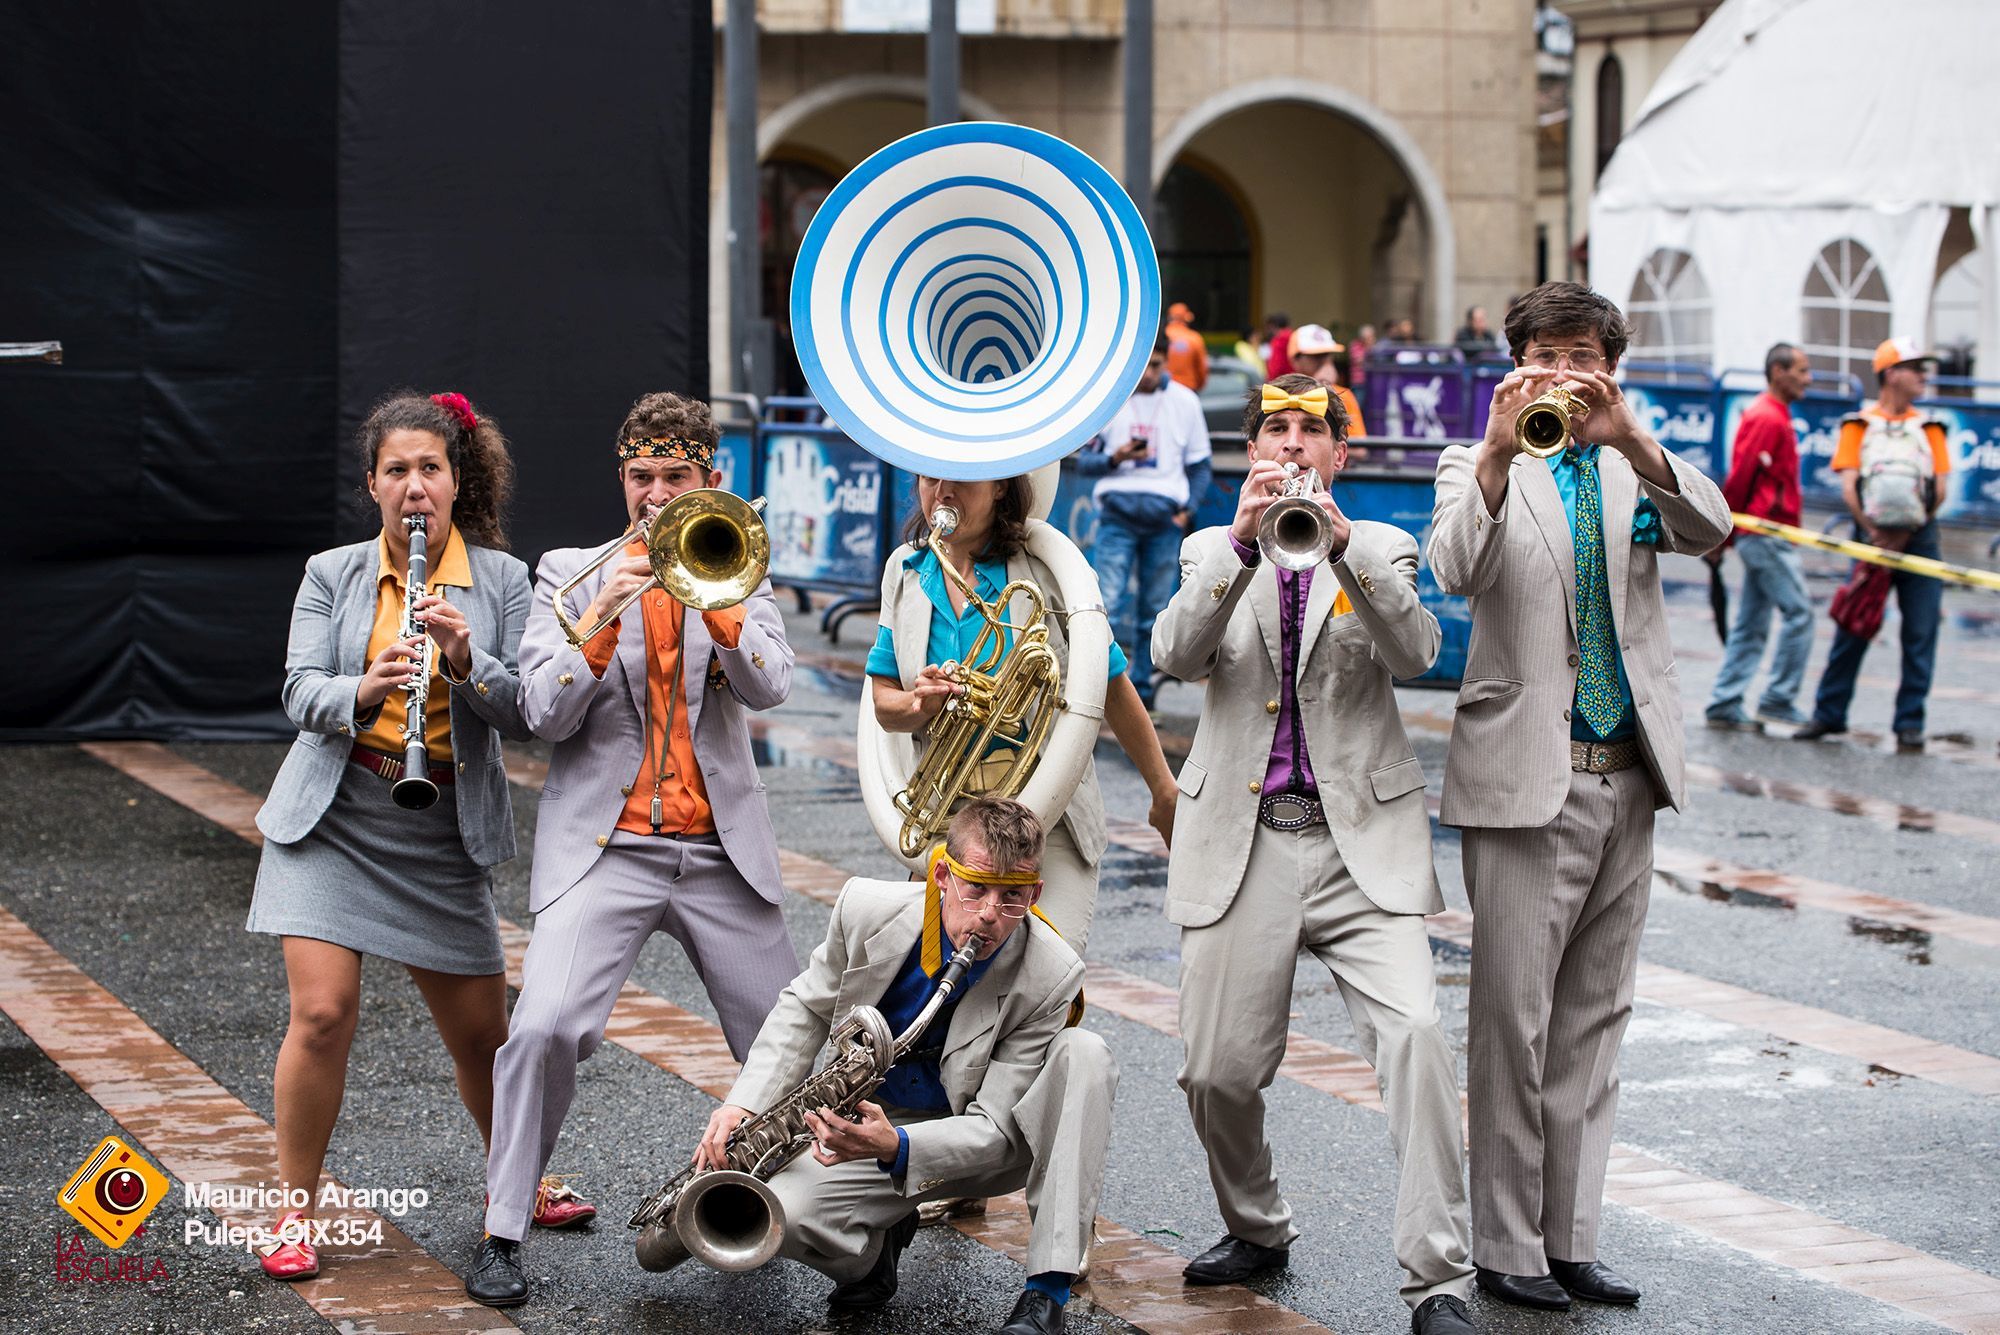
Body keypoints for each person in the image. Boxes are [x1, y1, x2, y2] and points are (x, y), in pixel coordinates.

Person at [1152, 373, 1477, 1335]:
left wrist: (1341, 553)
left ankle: (1438, 1280)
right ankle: (1256, 1225)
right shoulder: (1211, 547)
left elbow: (1418, 655)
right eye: (1274, 431)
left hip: (1357, 843)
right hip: (1243, 842)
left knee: (1416, 1038)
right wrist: (1245, 551)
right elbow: (1176, 655)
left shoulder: (1380, 544)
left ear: (1340, 453)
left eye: (1311, 433)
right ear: (1250, 451)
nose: (1291, 446)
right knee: (1214, 1072)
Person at [1428, 282, 1730, 1312]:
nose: (1563, 372)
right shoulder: (1476, 468)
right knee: (1510, 1026)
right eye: (1545, 355)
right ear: (1512, 365)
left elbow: (1711, 528)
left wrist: (1634, 441)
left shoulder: (1622, 464)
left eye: (1583, 356)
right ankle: (1505, 1247)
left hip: (1627, 773)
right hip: (1524, 780)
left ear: (1608, 366)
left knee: (1593, 1022)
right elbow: (1453, 566)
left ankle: (1570, 1238)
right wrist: (1496, 455)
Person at [467, 392, 799, 1306]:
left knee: (790, 1047)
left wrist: (720, 600)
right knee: (540, 1026)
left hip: (721, 849)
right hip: (606, 846)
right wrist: (605, 607)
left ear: (709, 480)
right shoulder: (568, 571)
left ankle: (836, 1230)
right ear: (623, 477)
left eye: (676, 477)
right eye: (642, 476)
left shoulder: (740, 560)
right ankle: (502, 1228)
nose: (657, 495)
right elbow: (541, 712)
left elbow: (771, 688)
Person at [248, 391, 532, 1282]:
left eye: (430, 469)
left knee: (487, 1037)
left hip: (440, 824)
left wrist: (463, 660)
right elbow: (298, 691)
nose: (415, 487)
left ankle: (515, 1182)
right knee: (322, 1013)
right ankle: (293, 1207)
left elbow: (521, 709)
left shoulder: (502, 581)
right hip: (335, 815)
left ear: (457, 479)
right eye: (397, 470)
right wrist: (363, 690)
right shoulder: (331, 572)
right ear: (372, 484)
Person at [697, 798, 1116, 1335]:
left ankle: (1046, 1295)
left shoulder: (1053, 971)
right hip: (869, 1121)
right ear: (942, 873)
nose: (991, 914)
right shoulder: (865, 908)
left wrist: (898, 1148)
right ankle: (874, 1255)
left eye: (1014, 897)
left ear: (1035, 894)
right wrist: (745, 1102)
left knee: (1085, 1054)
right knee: (784, 1215)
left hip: (985, 1142)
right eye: (976, 887)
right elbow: (805, 1007)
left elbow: (994, 1128)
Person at [868, 472, 1177, 951]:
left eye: (963, 479)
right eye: (930, 478)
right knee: (943, 989)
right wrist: (916, 703)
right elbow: (883, 701)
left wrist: (1163, 790)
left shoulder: (1050, 567)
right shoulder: (905, 569)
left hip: (1048, 816)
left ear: (1000, 487)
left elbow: (1110, 683)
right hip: (947, 822)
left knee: (1043, 987)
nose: (943, 493)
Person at [1795, 337, 1952, 752]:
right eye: (1915, 367)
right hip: (1872, 537)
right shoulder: (1858, 424)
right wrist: (1876, 532)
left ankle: (1909, 723)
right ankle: (1829, 714)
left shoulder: (1931, 426)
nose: (1923, 376)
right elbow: (1849, 488)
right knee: (1854, 625)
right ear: (1890, 374)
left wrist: (1904, 532)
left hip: (1919, 538)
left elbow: (1941, 489)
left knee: (1920, 632)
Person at [1077, 333, 1215, 710]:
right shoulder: (1111, 397)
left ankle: (1141, 693)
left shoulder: (1184, 402)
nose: (1149, 373)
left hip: (1163, 517)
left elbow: (1200, 465)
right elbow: (1083, 462)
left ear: (1166, 362)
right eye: (1143, 366)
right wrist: (1115, 458)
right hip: (1117, 515)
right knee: (1104, 603)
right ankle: (1094, 686)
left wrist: (1186, 509)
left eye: (1156, 365)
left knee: (1153, 610)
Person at [1705, 343, 1816, 731]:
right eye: (1801, 370)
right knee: (1799, 613)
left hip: (1763, 532)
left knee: (1752, 624)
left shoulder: (1773, 415)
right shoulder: (1767, 417)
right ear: (1779, 372)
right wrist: (1724, 532)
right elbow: (1741, 479)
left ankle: (1725, 700)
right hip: (1764, 534)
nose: (1808, 378)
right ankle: (1778, 698)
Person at [1287, 323, 1368, 438]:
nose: (1324, 361)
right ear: (1295, 360)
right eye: (1316, 356)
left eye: (1327, 354)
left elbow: (1359, 448)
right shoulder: (1281, 395)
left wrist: (1328, 393)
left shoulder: (1343, 395)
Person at [1164, 301, 1209, 391]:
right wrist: (1199, 386)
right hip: (1188, 388)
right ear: (1187, 318)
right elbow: (1202, 368)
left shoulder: (1161, 336)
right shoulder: (1194, 338)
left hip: (1165, 389)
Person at [1262, 311, 1295, 379]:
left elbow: (1276, 365)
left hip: (1283, 379)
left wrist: (1270, 379)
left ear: (1272, 326)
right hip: (1295, 377)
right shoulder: (1294, 335)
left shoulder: (1279, 339)